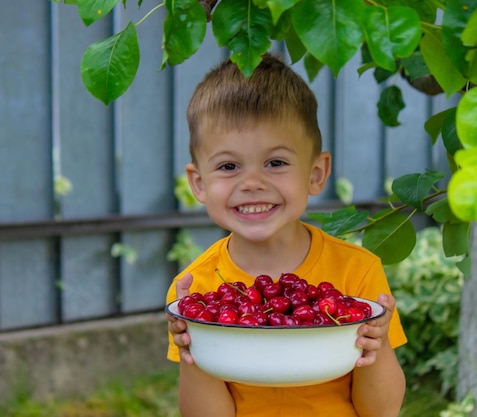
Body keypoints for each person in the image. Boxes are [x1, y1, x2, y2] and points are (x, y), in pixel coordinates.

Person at [165, 53, 407, 417]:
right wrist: (194, 344)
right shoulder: (194, 289)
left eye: (275, 163)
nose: (252, 183)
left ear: (315, 173)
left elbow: (381, 412)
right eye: (229, 166)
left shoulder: (358, 273)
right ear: (199, 183)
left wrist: (378, 343)